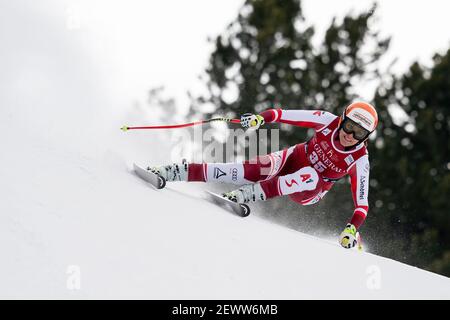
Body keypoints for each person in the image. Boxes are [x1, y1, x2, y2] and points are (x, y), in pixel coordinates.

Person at [149, 101, 378, 249]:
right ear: (342, 119)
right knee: (247, 170)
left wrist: (351, 228)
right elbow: (283, 113)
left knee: (308, 174)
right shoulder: (327, 121)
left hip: (310, 189)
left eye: (359, 132)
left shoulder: (360, 159)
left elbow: (362, 205)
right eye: (349, 126)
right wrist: (261, 118)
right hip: (292, 158)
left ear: (366, 137)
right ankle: (175, 171)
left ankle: (247, 194)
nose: (350, 135)